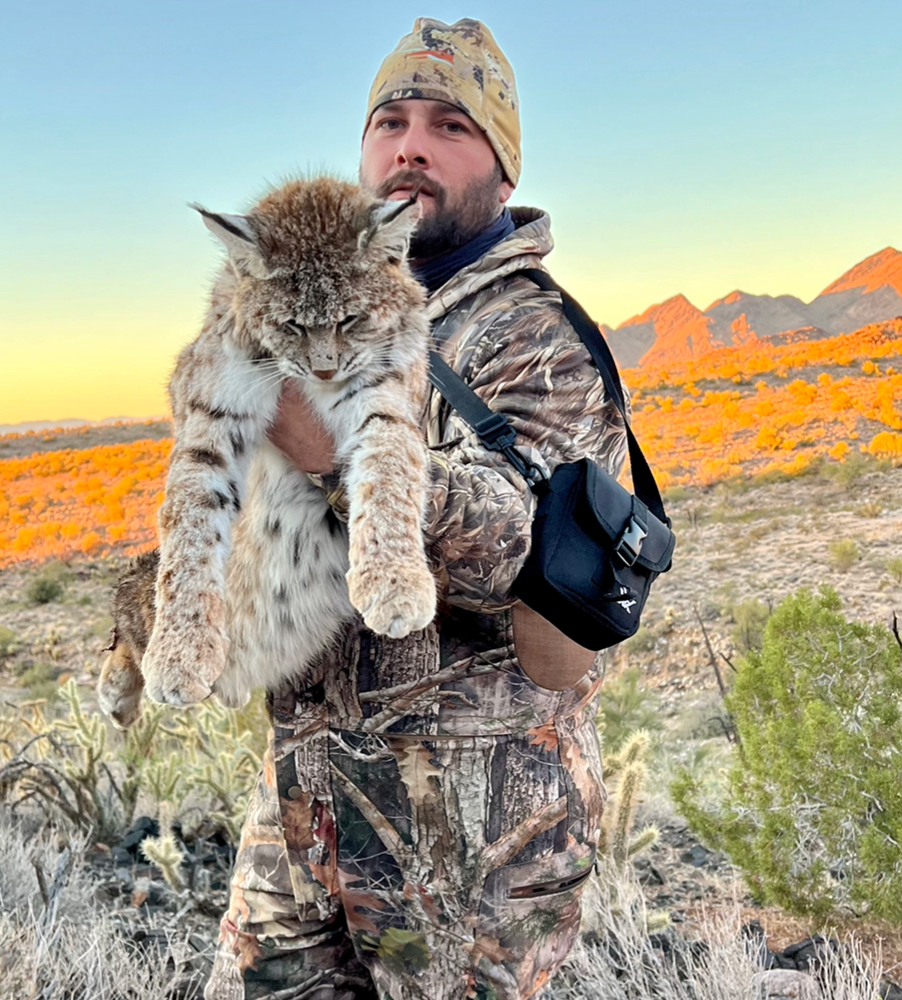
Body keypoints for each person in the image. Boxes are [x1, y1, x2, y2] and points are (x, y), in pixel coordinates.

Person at [205, 18, 627, 1000]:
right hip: (305, 803)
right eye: (389, 120)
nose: (409, 146)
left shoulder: (538, 337)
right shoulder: (324, 310)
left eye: (450, 126)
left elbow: (519, 542)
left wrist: (335, 449)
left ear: (502, 169)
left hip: (473, 832)